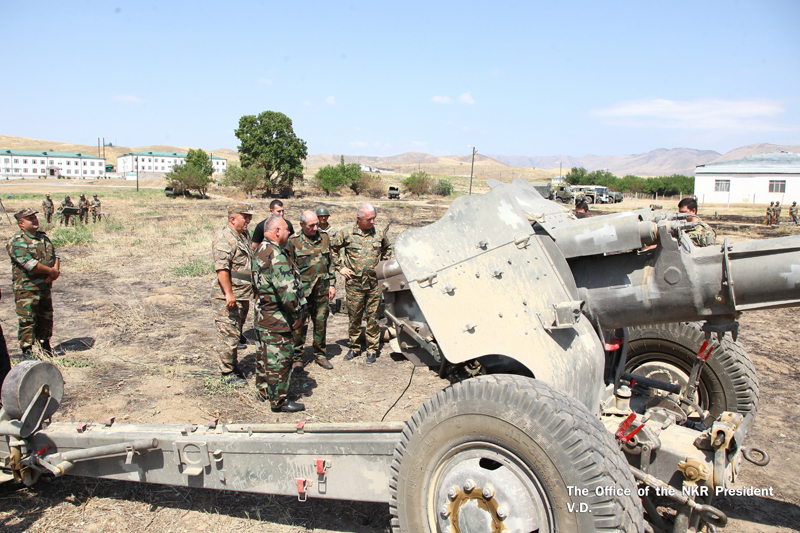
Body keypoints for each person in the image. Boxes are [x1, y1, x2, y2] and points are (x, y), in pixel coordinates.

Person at [251, 216, 307, 412]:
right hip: (278, 319)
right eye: (286, 230)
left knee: (264, 357)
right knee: (280, 361)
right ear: (276, 231)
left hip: (262, 316)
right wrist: (299, 314)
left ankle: (264, 391)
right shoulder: (276, 254)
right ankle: (279, 401)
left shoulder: (259, 250)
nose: (289, 233)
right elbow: (288, 293)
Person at [331, 203, 391, 364]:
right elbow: (332, 248)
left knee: (373, 318)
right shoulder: (347, 233)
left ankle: (372, 349)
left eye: (374, 219)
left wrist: (382, 266)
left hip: (373, 285)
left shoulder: (379, 234)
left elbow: (388, 249)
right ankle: (355, 347)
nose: (372, 222)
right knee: (355, 317)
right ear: (359, 219)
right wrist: (340, 267)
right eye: (369, 219)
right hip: (354, 284)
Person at [6, 208, 62, 358]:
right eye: (30, 218)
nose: (35, 220)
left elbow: (55, 255)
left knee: (46, 317)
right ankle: (27, 351)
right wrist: (50, 272)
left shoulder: (43, 238)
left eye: (35, 217)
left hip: (44, 286)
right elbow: (29, 264)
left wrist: (55, 271)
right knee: (27, 320)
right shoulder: (17, 241)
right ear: (21, 224)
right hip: (26, 289)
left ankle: (45, 346)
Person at [286, 210, 336, 372]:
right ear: (301, 225)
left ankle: (320, 354)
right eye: (311, 225)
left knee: (321, 322)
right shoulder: (293, 242)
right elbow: (289, 268)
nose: (316, 227)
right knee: (300, 324)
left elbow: (330, 263)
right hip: (302, 292)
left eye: (316, 224)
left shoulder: (324, 238)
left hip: (321, 290)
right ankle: (297, 357)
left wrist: (332, 284)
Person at [212, 203, 255, 386]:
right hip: (229, 295)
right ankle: (227, 372)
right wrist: (229, 294)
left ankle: (233, 364)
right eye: (245, 217)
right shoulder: (224, 238)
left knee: (236, 331)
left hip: (243, 293)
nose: (248, 220)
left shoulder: (243, 235)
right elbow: (222, 269)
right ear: (232, 219)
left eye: (249, 216)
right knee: (228, 334)